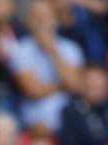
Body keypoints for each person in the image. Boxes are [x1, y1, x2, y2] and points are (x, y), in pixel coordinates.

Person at [9, 0, 83, 131]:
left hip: (68, 120)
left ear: (56, 20)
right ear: (28, 22)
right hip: (36, 121)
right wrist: (62, 87)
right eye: (36, 17)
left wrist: (52, 51)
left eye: (46, 17)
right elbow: (33, 91)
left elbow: (75, 85)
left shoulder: (71, 48)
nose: (41, 22)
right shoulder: (20, 49)